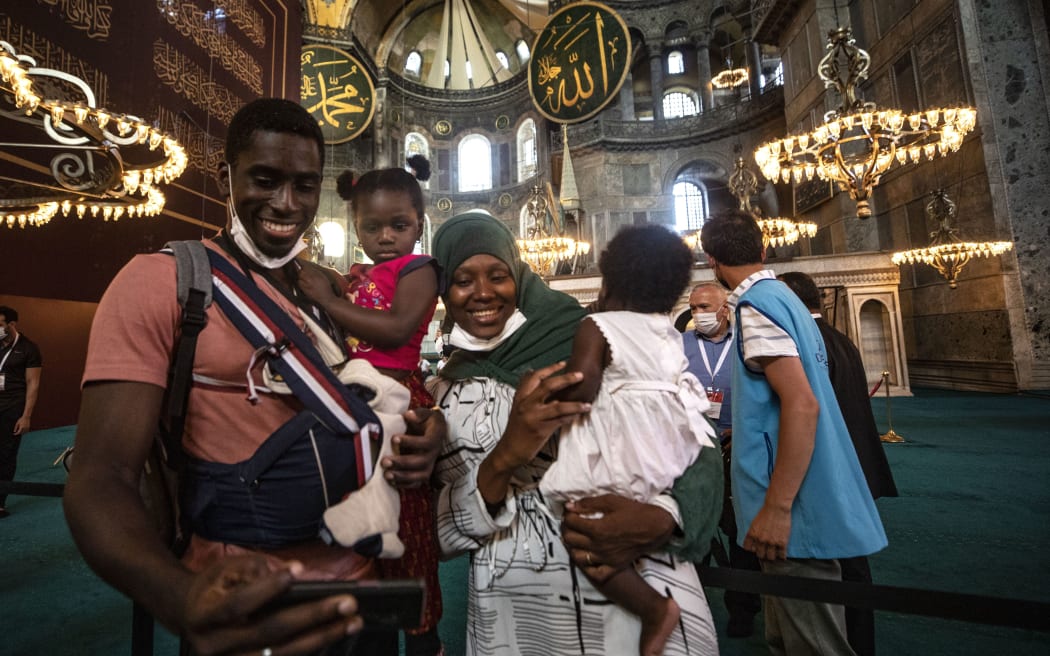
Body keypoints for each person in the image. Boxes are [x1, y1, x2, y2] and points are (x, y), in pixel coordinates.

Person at [63, 98, 444, 656]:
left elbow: (367, 394)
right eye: (265, 180)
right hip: (243, 605)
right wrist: (182, 598)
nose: (286, 204)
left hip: (361, 598)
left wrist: (424, 433)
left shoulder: (330, 291)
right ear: (226, 176)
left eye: (304, 186)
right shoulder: (161, 282)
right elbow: (101, 476)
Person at [429, 211, 721, 656]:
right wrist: (505, 456)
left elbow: (696, 436)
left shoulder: (591, 338)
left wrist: (667, 515)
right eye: (463, 280)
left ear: (520, 277)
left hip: (636, 582)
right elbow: (435, 530)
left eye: (498, 276)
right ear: (443, 290)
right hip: (516, 610)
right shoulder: (436, 394)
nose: (483, 293)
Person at [700, 208, 887, 656]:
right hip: (805, 496)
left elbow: (802, 405)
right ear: (763, 249)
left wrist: (778, 508)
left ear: (710, 260)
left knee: (815, 644)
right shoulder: (785, 298)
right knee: (786, 640)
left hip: (793, 509)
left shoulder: (758, 307)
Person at [539, 224, 718, 656]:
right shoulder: (666, 329)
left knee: (580, 527)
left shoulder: (596, 325)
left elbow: (582, 387)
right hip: (666, 449)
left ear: (610, 280)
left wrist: (548, 389)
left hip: (620, 447)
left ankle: (653, 608)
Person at [297, 156, 444, 656]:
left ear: (418, 225)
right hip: (355, 398)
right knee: (365, 523)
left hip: (399, 395)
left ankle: (425, 637)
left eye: (399, 225)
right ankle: (374, 630)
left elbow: (399, 328)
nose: (386, 237)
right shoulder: (358, 275)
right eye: (372, 226)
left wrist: (331, 298)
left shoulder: (419, 268)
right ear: (356, 227)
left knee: (408, 522)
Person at [777, 271, 899, 656]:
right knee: (853, 560)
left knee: (843, 564)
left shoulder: (804, 344)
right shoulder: (840, 338)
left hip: (833, 466)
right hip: (858, 460)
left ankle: (853, 642)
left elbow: (807, 412)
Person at [683, 283, 762, 638]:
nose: (698, 313)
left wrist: (743, 431)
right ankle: (692, 606)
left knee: (740, 535)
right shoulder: (679, 345)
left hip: (739, 451)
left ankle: (742, 609)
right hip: (692, 454)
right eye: (693, 307)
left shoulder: (747, 346)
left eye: (704, 306)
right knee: (694, 531)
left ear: (724, 309)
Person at [0, 306, 42, 519]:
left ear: (12, 325)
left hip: (12, 408)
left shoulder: (28, 349)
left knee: (6, 454)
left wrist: (26, 416)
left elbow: (33, 383)